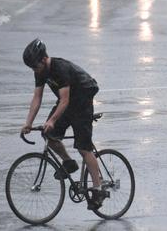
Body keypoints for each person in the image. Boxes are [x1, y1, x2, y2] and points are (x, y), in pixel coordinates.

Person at [21, 38, 106, 210]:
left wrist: (52, 120)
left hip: (82, 99)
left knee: (83, 148)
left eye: (35, 66)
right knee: (48, 134)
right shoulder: (40, 71)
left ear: (44, 59)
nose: (33, 69)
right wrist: (28, 123)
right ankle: (68, 162)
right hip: (68, 102)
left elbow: (65, 100)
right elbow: (37, 98)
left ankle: (98, 189)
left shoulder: (60, 68)